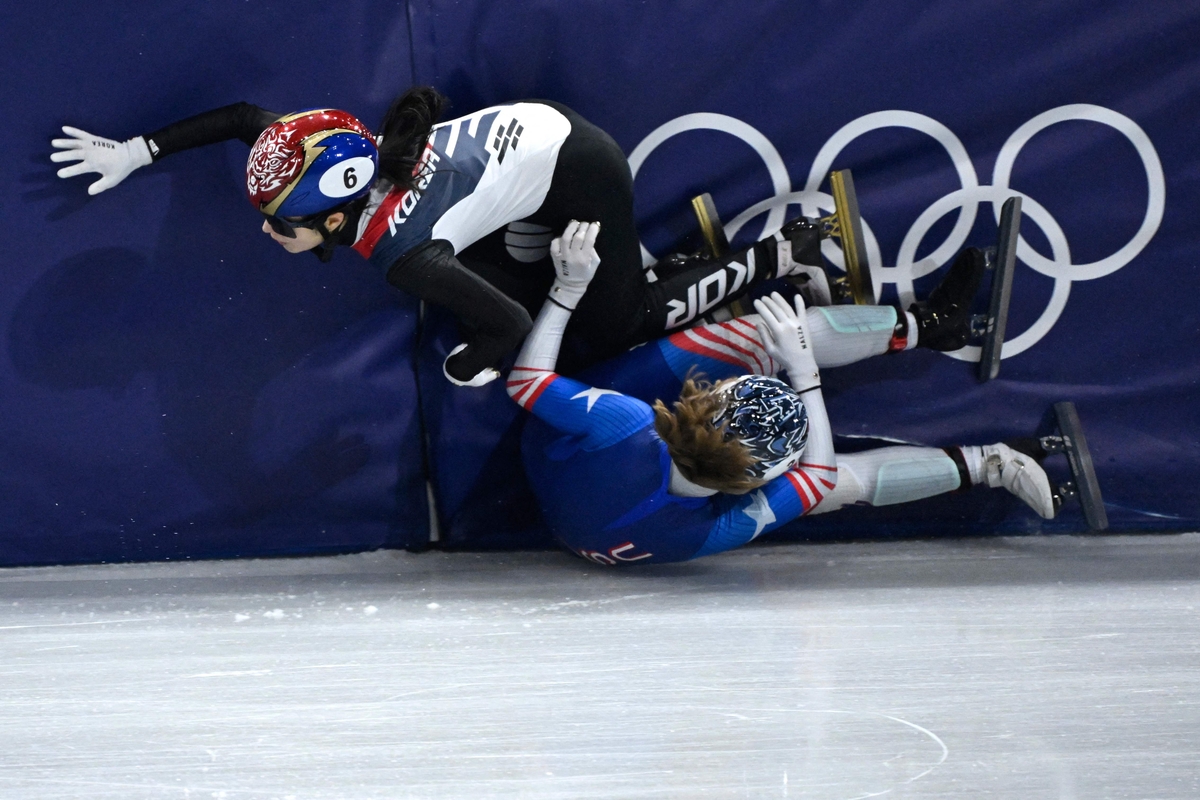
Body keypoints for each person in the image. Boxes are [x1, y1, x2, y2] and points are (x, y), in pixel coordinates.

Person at [51, 88, 864, 385]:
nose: (271, 231)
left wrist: (476, 357)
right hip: (532, 140)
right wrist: (138, 151)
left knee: (600, 337)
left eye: (283, 224)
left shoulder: (399, 254)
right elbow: (239, 119)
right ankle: (662, 270)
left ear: (335, 219)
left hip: (580, 169)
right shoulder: (324, 144)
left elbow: (512, 332)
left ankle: (785, 251)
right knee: (522, 280)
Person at [507, 220, 1055, 565]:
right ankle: (937, 352)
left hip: (564, 463)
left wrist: (567, 287)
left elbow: (526, 382)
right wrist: (800, 366)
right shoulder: (632, 430)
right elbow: (816, 480)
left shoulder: (629, 427)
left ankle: (979, 444)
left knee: (829, 484)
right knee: (773, 354)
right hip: (584, 480)